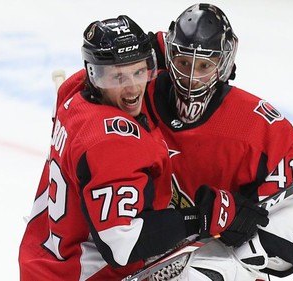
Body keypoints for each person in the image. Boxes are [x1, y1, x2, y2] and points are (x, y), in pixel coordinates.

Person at [19, 15, 214, 281]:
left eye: (139, 71)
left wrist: (166, 44)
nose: (133, 87)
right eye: (117, 78)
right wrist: (201, 218)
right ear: (95, 76)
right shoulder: (112, 141)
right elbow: (121, 244)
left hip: (42, 260)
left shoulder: (71, 94)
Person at [142, 3, 293, 280]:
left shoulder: (258, 128)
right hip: (138, 247)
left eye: (204, 65)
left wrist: (248, 239)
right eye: (184, 63)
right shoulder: (137, 99)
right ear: (170, 57)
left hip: (215, 256)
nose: (192, 78)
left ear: (223, 63)